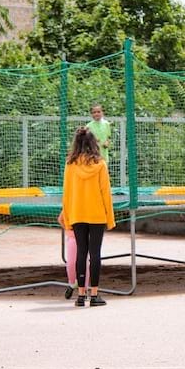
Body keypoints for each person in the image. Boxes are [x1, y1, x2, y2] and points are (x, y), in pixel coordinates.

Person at [61, 127, 115, 307]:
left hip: (77, 213)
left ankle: (81, 295)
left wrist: (67, 217)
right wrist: (110, 218)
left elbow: (66, 193)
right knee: (95, 254)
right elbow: (105, 193)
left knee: (81, 254)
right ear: (94, 143)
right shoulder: (100, 165)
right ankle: (94, 295)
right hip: (97, 214)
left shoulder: (70, 165)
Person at [58, 211, 90, 299]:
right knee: (71, 263)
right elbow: (61, 219)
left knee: (84, 263)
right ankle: (72, 284)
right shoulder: (70, 205)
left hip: (85, 237)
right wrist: (68, 229)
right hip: (72, 237)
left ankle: (84, 289)